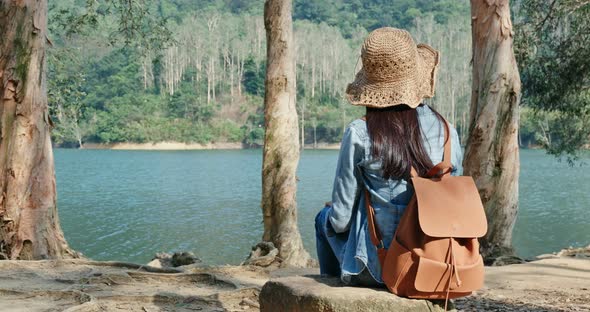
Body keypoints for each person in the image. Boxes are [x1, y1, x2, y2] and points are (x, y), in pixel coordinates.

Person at [314, 27, 463, 287]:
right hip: (435, 263)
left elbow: (339, 222)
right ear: (416, 78)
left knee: (323, 219)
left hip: (376, 267)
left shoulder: (360, 132)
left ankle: (333, 288)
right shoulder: (447, 130)